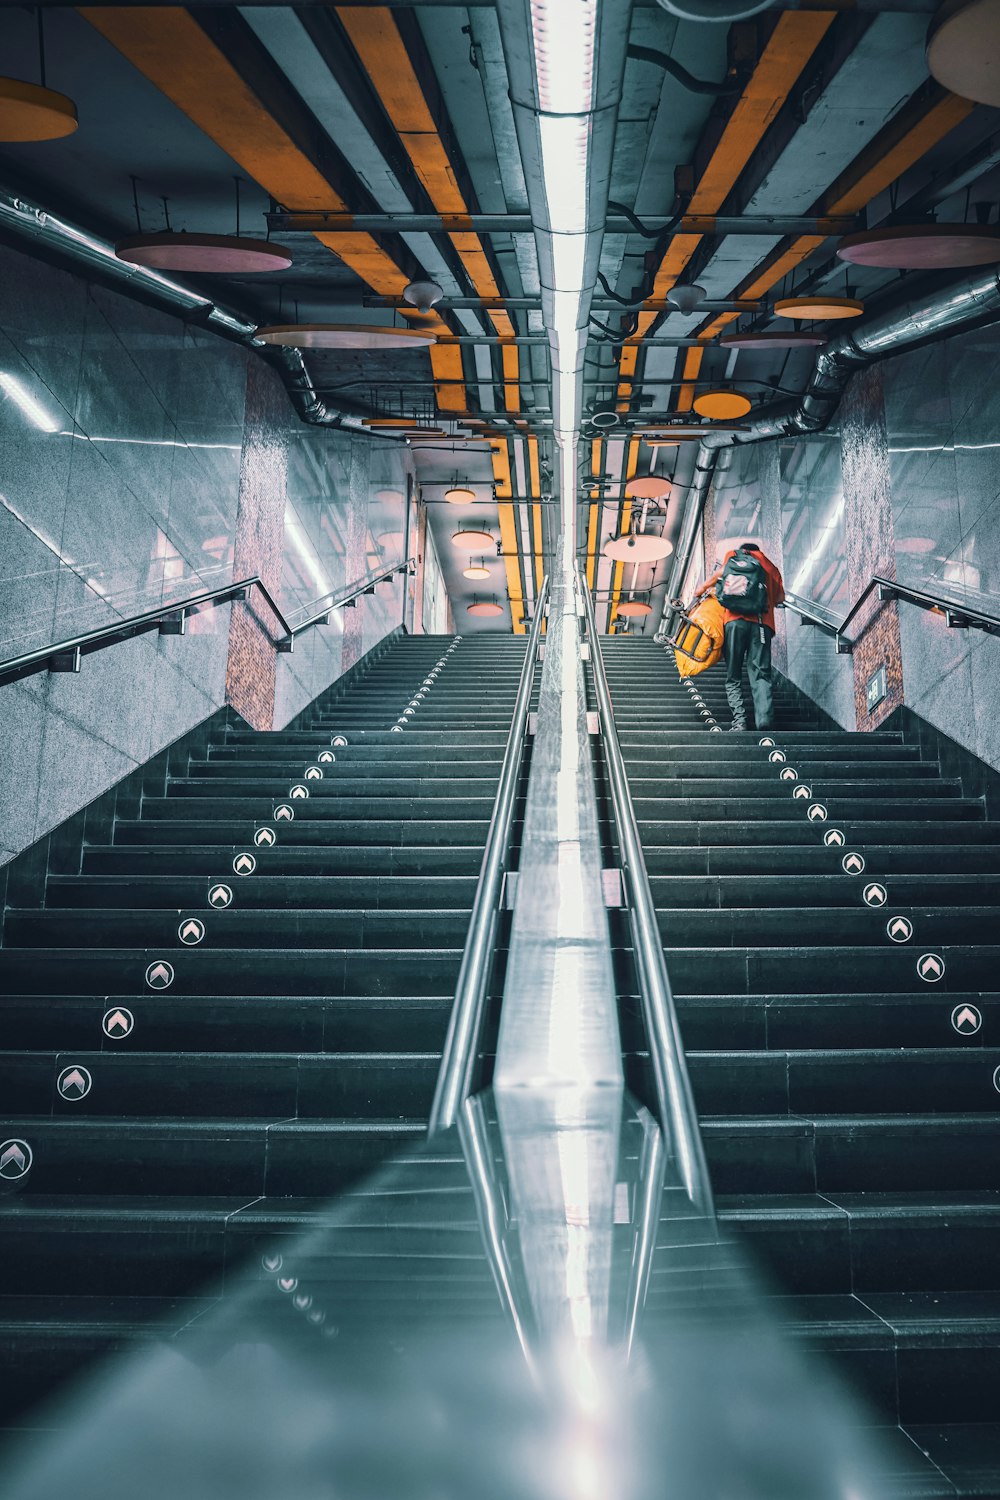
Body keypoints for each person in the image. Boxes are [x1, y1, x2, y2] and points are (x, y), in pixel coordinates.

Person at [694, 542, 784, 731]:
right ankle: (764, 721)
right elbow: (780, 599)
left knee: (733, 675)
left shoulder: (732, 555)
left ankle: (740, 721)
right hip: (761, 624)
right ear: (758, 550)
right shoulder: (769, 566)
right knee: (761, 673)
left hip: (734, 622)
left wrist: (702, 589)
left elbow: (719, 575)